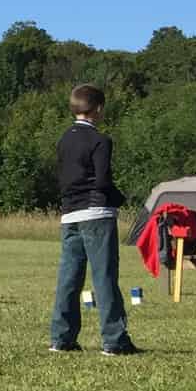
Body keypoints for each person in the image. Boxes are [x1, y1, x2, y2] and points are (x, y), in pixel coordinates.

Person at [50, 83, 139, 355]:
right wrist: (119, 199)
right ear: (98, 108)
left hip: (70, 214)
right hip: (97, 213)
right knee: (104, 276)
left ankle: (61, 338)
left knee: (69, 277)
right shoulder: (101, 140)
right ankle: (114, 340)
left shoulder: (64, 139)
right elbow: (102, 180)